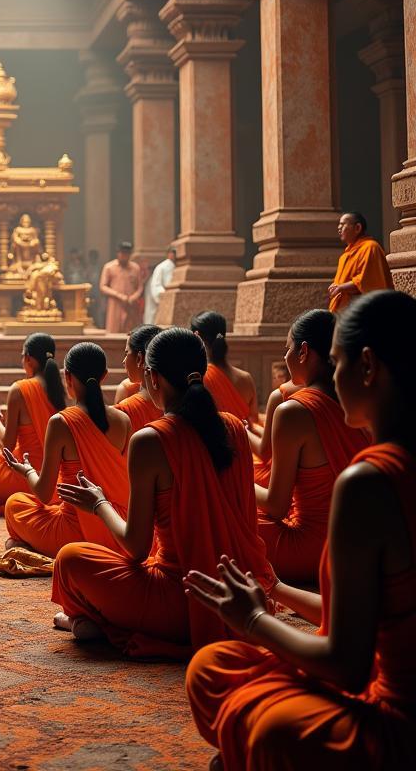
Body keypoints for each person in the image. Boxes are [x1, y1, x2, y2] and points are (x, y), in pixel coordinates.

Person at [185, 290, 416, 769]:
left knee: (271, 728)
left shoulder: (368, 481)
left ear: (368, 366)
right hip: (376, 663)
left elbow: (347, 666)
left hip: (397, 722)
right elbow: (356, 617)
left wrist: (254, 621)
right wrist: (275, 588)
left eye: (338, 364)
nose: (334, 379)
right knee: (213, 668)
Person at [51, 327, 274, 658]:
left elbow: (135, 549)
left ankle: (95, 620)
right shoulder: (232, 428)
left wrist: (99, 503)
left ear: (152, 378)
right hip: (240, 599)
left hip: (178, 598)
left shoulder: (150, 440)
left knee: (69, 559)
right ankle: (100, 621)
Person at [253, 309, 369, 584]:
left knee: (219, 519)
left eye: (288, 349)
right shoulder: (358, 400)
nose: (285, 357)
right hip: (360, 539)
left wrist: (232, 480)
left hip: (314, 548)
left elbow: (275, 506)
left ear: (303, 351)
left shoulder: (294, 410)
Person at [2, 343, 131, 557]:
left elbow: (44, 494)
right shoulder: (124, 420)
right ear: (105, 375)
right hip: (116, 528)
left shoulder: (62, 422)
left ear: (67, 375)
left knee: (15, 504)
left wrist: (27, 471)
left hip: (73, 532)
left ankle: (34, 546)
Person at [0, 333, 65, 515]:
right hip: (56, 480)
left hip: (27, 476)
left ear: (29, 359)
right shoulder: (60, 389)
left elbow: (8, 445)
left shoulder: (20, 389)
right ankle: (6, 500)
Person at [192, 310, 259, 427]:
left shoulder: (198, 378)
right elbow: (253, 421)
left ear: (196, 335)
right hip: (244, 442)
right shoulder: (246, 378)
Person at [327, 211, 391, 313]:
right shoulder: (344, 256)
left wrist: (341, 287)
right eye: (339, 224)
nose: (339, 228)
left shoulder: (370, 247)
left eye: (343, 224)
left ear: (357, 228)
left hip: (361, 311)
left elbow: (368, 282)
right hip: (343, 312)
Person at [115, 324, 165, 431]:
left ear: (139, 358)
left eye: (126, 353)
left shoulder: (124, 410)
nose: (123, 362)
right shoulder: (176, 403)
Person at [99, 242, 144, 334]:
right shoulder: (109, 267)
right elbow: (103, 286)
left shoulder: (135, 268)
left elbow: (140, 287)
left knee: (131, 333)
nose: (124, 256)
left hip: (131, 305)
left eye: (126, 253)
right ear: (118, 253)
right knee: (114, 331)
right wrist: (118, 295)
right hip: (115, 304)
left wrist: (133, 297)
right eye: (122, 253)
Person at [144, 246, 176, 323]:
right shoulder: (163, 267)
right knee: (152, 316)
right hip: (160, 297)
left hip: (167, 298)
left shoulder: (174, 266)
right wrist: (165, 296)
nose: (174, 255)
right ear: (169, 254)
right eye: (173, 253)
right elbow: (156, 285)